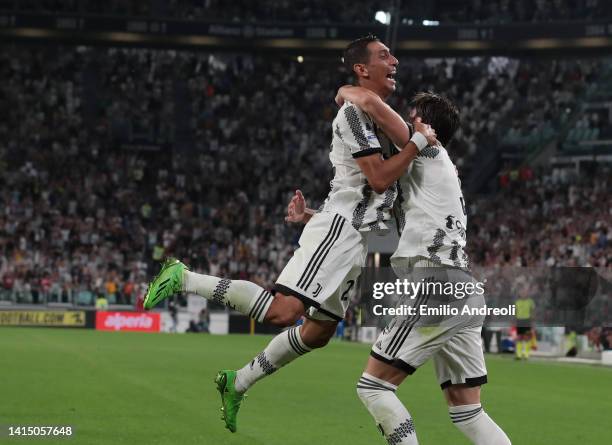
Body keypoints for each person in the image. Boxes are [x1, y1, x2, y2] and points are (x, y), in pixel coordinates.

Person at [142, 34, 438, 433]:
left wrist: (311, 214)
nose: (395, 61)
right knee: (284, 311)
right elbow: (380, 179)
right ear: (362, 69)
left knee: (318, 332)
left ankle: (238, 381)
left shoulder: (372, 113)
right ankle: (184, 277)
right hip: (342, 230)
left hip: (353, 235)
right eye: (385, 56)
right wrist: (417, 143)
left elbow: (367, 191)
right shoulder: (350, 115)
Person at [330, 87, 512, 444]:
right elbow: (379, 220)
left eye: (410, 115)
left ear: (424, 124)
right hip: (462, 288)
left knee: (374, 387)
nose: (403, 119)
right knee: (467, 411)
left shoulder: (428, 148)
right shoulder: (437, 170)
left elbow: (369, 104)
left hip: (434, 283)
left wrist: (344, 92)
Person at [514, 285, 535, 360]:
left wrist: (532, 322)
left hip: (527, 320)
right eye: (522, 292)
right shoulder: (517, 302)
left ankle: (526, 354)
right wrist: (515, 321)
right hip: (519, 321)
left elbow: (532, 312)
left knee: (527, 338)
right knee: (519, 338)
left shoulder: (530, 302)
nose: (523, 294)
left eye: (525, 292)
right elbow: (515, 312)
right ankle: (519, 354)